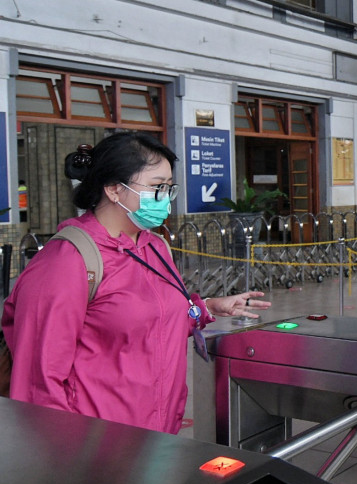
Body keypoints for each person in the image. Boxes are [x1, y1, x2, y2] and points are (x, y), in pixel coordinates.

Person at [0, 132, 270, 434]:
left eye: (170, 188)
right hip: (95, 446)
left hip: (158, 433)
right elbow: (39, 380)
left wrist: (206, 306)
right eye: (157, 187)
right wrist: (67, 462)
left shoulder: (155, 247)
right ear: (115, 189)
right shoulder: (68, 261)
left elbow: (148, 321)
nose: (165, 198)